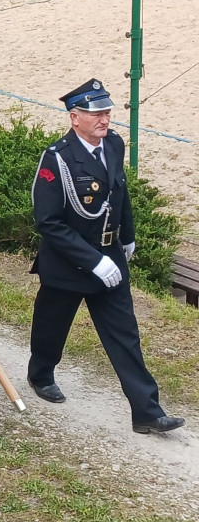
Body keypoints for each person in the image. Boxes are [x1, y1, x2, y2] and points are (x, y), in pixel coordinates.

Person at [27, 79, 185, 434]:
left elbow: (119, 193)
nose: (105, 119)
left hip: (110, 257)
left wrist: (126, 236)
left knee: (124, 334)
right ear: (74, 118)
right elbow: (48, 222)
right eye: (96, 113)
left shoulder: (113, 144)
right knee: (52, 327)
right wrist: (91, 259)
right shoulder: (58, 158)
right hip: (68, 263)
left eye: (107, 111)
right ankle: (41, 374)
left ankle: (147, 412)